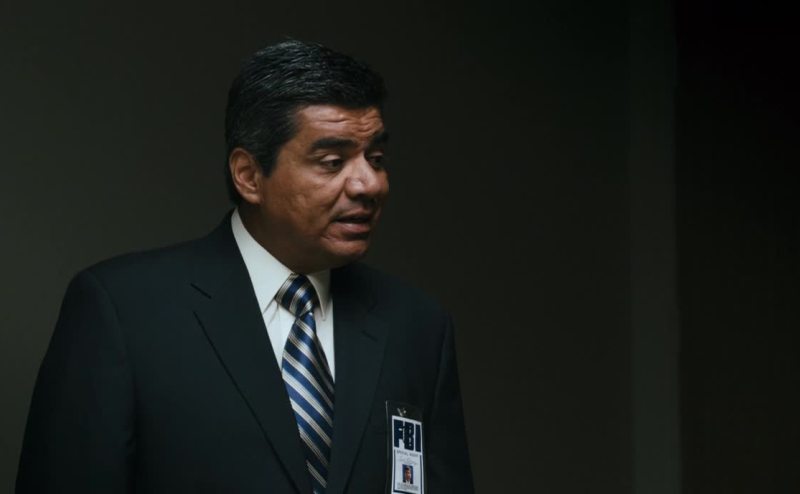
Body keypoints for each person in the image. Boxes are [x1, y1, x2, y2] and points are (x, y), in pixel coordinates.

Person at [16, 40, 473, 493]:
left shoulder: (417, 328)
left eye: (376, 159)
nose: (368, 184)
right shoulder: (124, 312)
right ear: (249, 176)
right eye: (332, 162)